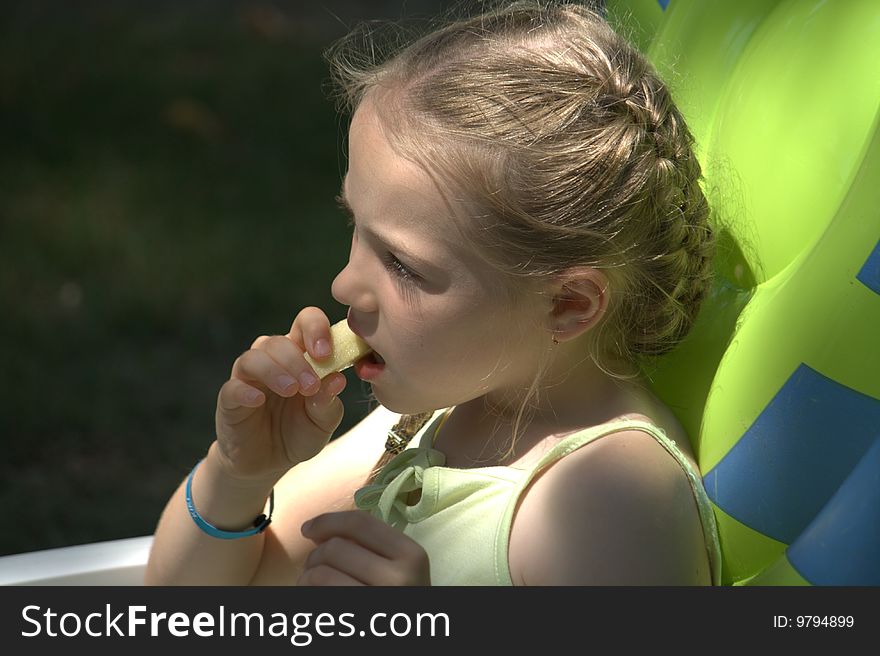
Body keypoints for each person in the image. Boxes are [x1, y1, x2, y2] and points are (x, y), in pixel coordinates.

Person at [145, 1, 721, 586]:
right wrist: (240, 475)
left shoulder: (609, 500)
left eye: (402, 265)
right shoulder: (435, 412)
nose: (344, 285)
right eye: (355, 225)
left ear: (567, 304)